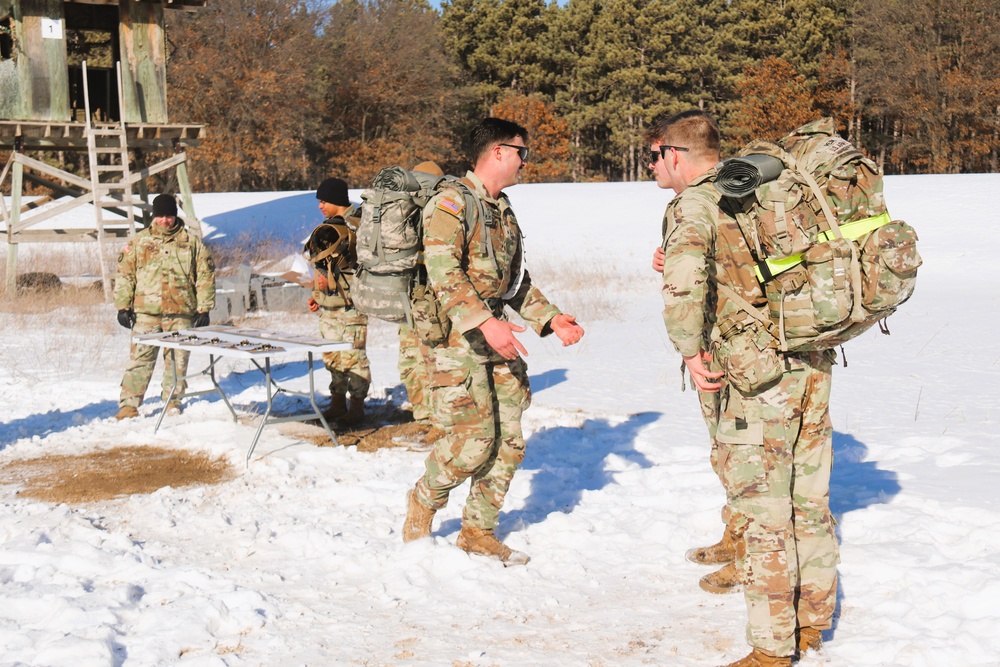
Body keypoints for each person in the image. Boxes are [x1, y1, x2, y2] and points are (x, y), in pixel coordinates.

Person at [654, 109, 837, 667]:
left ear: (677, 154)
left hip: (757, 377)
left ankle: (772, 649)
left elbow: (685, 283)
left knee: (764, 514)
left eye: (655, 156)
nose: (653, 167)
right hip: (812, 357)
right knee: (809, 503)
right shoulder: (764, 187)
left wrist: (688, 348)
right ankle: (811, 626)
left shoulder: (696, 203)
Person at [401, 118, 585, 564]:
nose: (526, 161)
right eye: (522, 152)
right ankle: (423, 502)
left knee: (509, 442)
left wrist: (551, 318)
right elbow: (443, 273)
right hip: (455, 342)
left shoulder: (502, 210)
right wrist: (485, 322)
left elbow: (513, 283)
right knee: (472, 444)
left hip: (496, 337)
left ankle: (478, 530)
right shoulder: (449, 203)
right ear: (499, 151)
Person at [114, 193, 215, 420]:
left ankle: (172, 401)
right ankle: (129, 405)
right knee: (140, 360)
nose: (165, 221)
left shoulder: (192, 243)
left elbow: (205, 276)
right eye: (160, 216)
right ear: (154, 216)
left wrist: (204, 308)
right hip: (146, 313)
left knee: (177, 361)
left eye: (169, 216)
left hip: (181, 312)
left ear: (175, 216)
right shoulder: (139, 242)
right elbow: (124, 275)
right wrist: (122, 306)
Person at [393, 160, 448, 451]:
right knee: (410, 365)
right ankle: (426, 420)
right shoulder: (407, 214)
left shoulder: (447, 213)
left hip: (434, 305)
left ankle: (441, 426)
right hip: (409, 301)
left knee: (433, 365)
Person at [305, 177, 371, 426]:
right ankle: (337, 403)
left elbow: (361, 266)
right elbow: (322, 266)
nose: (320, 206)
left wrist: (333, 281)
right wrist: (316, 295)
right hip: (329, 307)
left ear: (336, 200)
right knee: (332, 358)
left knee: (354, 359)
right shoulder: (331, 226)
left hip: (351, 306)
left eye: (323, 201)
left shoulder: (357, 226)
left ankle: (357, 408)